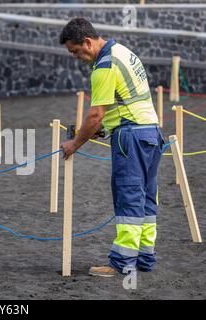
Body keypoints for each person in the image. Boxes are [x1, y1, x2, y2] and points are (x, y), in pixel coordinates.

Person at [59, 18, 165, 277]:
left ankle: (121, 263)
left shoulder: (104, 66)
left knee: (128, 199)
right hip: (151, 133)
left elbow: (95, 115)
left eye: (76, 51)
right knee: (146, 200)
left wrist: (75, 143)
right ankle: (144, 258)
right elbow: (125, 102)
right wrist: (103, 129)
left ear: (87, 41)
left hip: (130, 138)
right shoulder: (123, 52)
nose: (76, 57)